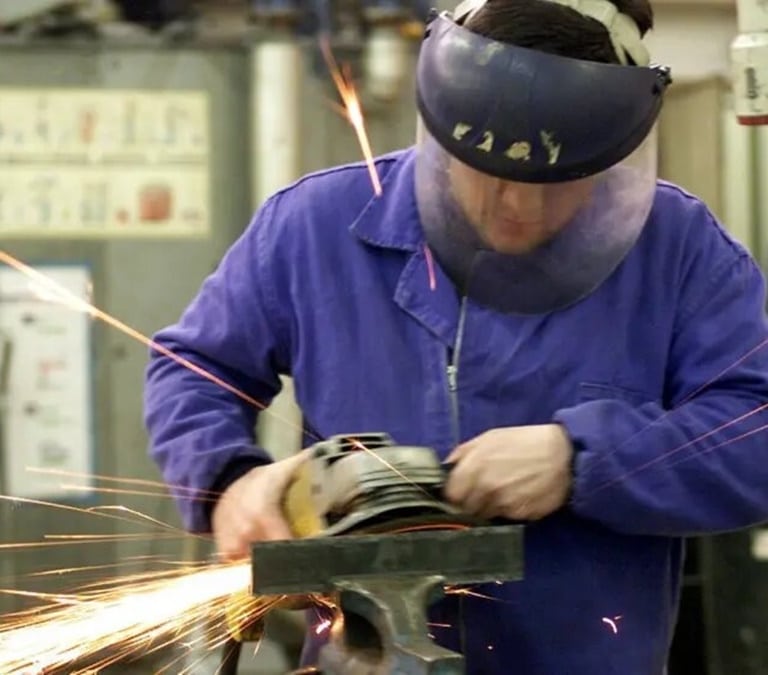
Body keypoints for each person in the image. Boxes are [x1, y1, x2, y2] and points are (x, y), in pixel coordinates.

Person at [143, 0, 768, 672]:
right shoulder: (313, 227)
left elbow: (754, 432)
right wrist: (230, 482)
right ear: (445, 133)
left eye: (558, 179)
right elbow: (192, 367)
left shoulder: (678, 252)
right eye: (492, 173)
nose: (521, 208)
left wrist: (583, 458)